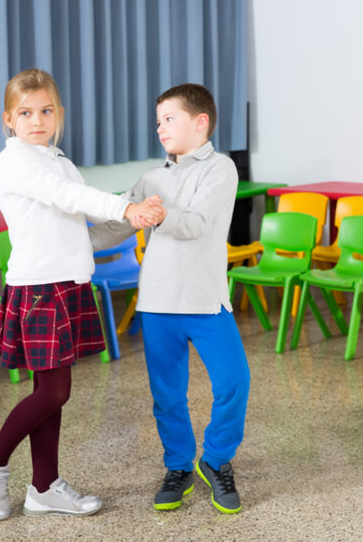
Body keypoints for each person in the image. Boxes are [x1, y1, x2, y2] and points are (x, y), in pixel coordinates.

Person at [0, 68, 162, 521]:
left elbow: (78, 230)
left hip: (67, 283)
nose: (37, 120)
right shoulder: (16, 161)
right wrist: (126, 206)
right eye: (26, 112)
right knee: (54, 392)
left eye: (46, 110)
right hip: (38, 288)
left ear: (59, 114)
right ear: (8, 120)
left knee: (49, 391)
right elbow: (69, 196)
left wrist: (131, 219)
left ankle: (43, 487)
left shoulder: (58, 159)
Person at [89, 83, 251, 513]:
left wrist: (158, 216)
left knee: (234, 383)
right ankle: (178, 465)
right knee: (167, 396)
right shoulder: (151, 177)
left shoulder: (222, 168)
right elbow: (117, 225)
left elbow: (196, 222)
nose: (160, 127)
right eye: (158, 120)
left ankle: (215, 461)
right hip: (158, 302)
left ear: (201, 122)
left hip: (205, 300)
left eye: (169, 119)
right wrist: (73, 238)